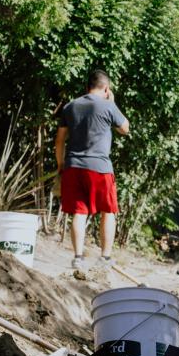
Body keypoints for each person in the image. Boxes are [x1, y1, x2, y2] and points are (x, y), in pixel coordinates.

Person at [56, 70, 129, 269]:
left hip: (73, 166)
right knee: (108, 211)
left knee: (79, 212)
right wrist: (112, 103)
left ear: (87, 87)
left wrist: (61, 164)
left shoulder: (70, 106)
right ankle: (104, 258)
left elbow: (60, 139)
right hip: (100, 168)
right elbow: (125, 129)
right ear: (106, 89)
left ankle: (78, 258)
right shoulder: (108, 105)